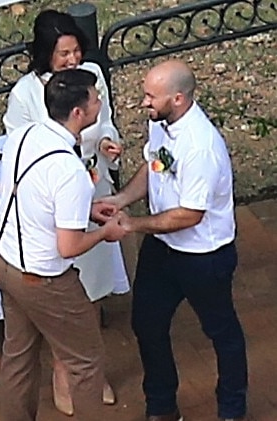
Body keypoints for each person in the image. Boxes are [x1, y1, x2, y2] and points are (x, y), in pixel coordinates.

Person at [95, 59, 248, 421]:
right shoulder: (163, 123)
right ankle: (161, 406)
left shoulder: (200, 147)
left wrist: (132, 225)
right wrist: (119, 200)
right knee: (147, 323)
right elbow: (155, 166)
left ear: (177, 98)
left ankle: (232, 409)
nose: (143, 103)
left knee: (221, 332)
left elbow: (188, 215)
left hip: (203, 257)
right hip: (163, 250)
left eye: (150, 96)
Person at [3, 9, 130, 415]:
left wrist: (90, 204)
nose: (98, 102)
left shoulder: (27, 139)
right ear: (77, 112)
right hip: (44, 271)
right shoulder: (70, 171)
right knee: (87, 361)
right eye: (94, 101)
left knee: (18, 358)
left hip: (6, 260)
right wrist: (105, 233)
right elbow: (69, 244)